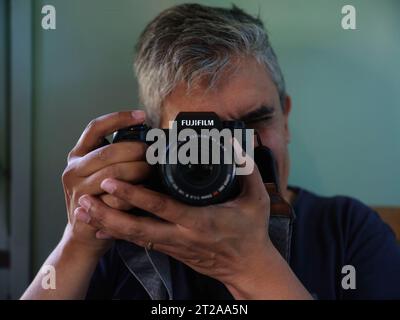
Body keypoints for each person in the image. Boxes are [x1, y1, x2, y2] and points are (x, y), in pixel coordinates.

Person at [22, 3, 400, 300]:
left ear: (285, 119)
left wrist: (251, 268)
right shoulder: (125, 232)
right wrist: (78, 242)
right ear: (155, 144)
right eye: (200, 136)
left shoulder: (346, 230)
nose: (237, 153)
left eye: (255, 122)